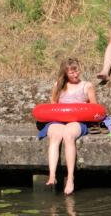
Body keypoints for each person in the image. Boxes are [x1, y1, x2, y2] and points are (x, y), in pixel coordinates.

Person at [39, 57, 97, 195]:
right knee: (55, 135)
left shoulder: (87, 86)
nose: (75, 74)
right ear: (65, 73)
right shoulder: (58, 85)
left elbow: (95, 107)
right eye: (71, 72)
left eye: (76, 71)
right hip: (59, 120)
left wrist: (83, 107)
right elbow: (52, 106)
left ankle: (70, 178)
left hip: (77, 120)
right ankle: (52, 176)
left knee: (68, 135)